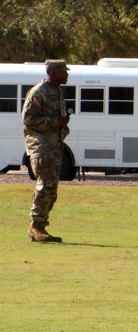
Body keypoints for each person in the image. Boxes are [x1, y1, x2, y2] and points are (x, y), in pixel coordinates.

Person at [23, 59, 71, 243]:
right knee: (45, 185)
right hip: (41, 147)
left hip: (54, 146)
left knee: (51, 188)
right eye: (63, 71)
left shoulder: (57, 92)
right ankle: (36, 226)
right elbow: (28, 120)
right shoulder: (39, 92)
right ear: (52, 72)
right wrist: (55, 122)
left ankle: (40, 226)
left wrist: (62, 126)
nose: (66, 74)